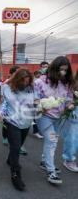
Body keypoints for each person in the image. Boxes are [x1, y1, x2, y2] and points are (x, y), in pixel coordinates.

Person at [34, 56, 74, 185]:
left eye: (65, 70)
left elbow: (68, 97)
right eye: (61, 69)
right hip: (44, 116)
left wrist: (69, 104)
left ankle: (45, 161)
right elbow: (34, 99)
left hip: (59, 117)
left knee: (52, 140)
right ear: (54, 69)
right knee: (51, 140)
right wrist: (40, 106)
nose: (63, 72)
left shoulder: (66, 83)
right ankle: (51, 171)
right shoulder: (40, 82)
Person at [0, 69, 35, 191]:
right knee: (15, 147)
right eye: (23, 81)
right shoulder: (7, 88)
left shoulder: (32, 88)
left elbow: (37, 102)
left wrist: (39, 105)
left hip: (26, 121)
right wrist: (0, 114)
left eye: (27, 81)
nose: (25, 83)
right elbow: (5, 104)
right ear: (17, 80)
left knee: (18, 146)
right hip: (12, 121)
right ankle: (15, 174)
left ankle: (10, 159)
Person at [62, 71, 78, 172]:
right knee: (72, 138)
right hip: (74, 114)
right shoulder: (73, 84)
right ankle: (69, 160)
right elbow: (66, 98)